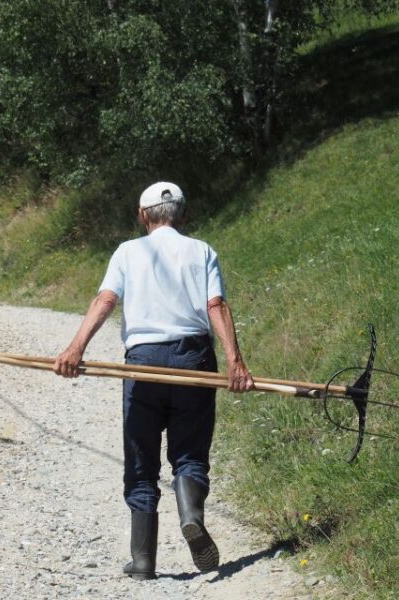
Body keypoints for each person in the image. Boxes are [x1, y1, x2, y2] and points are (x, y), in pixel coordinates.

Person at [53, 181, 254, 580]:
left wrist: (75, 348)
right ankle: (191, 514)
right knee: (190, 454)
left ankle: (143, 561)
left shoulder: (128, 251)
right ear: (183, 215)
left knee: (141, 462)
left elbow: (106, 300)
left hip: (142, 363)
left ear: (143, 215)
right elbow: (215, 305)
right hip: (193, 359)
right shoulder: (202, 250)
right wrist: (235, 361)